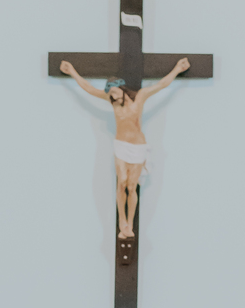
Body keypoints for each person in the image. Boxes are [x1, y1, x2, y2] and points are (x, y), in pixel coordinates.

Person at [58, 56, 190, 238]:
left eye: (114, 93)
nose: (113, 97)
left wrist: (177, 69)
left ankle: (130, 223)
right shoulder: (111, 101)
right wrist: (72, 72)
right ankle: (123, 222)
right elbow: (89, 89)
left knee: (131, 186)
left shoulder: (140, 97)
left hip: (137, 146)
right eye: (110, 95)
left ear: (121, 88)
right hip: (121, 146)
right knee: (121, 183)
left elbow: (161, 85)